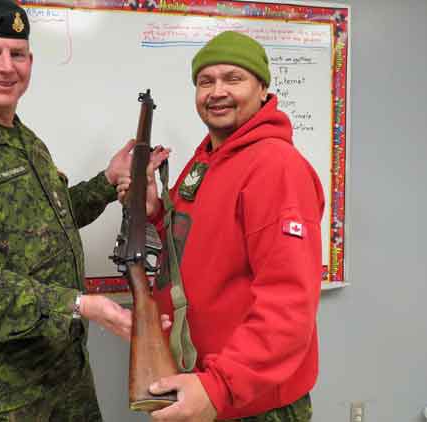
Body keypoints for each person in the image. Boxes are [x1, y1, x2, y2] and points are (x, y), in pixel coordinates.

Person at [0, 1, 167, 420]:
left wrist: (107, 182)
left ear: (30, 62)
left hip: (63, 380)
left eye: (17, 54)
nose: (6, 67)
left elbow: (44, 225)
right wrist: (78, 305)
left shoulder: (25, 141)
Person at [118, 31, 324, 421]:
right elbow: (192, 250)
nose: (217, 92)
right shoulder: (205, 159)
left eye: (234, 79)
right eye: (205, 81)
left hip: (249, 403)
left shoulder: (275, 167)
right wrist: (156, 212)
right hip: (200, 386)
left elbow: (288, 304)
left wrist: (220, 385)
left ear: (262, 88)